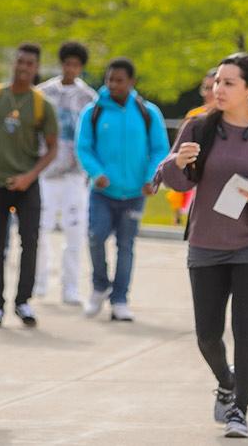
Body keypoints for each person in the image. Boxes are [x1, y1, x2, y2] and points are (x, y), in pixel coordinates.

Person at [159, 52, 248, 439]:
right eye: (217, 82)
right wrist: (179, 163)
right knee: (207, 334)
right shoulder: (198, 127)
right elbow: (175, 180)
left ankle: (240, 410)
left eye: (228, 83)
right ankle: (226, 381)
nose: (218, 89)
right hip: (207, 243)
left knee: (245, 326)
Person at [76, 58, 170, 322]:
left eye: (119, 80)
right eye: (109, 79)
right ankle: (99, 284)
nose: (112, 85)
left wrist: (152, 177)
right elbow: (84, 147)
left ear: (131, 82)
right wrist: (97, 173)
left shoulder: (148, 112)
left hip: (134, 194)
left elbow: (160, 149)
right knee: (95, 237)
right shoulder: (93, 112)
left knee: (126, 246)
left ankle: (120, 300)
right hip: (102, 193)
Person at [0, 43, 59, 327]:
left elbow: (52, 149)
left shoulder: (40, 104)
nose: (23, 68)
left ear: (36, 68)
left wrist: (29, 177)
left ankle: (23, 301)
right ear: (14, 63)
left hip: (27, 184)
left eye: (29, 64)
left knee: (30, 242)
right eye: (20, 61)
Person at [33, 42, 98, 305]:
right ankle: (39, 282)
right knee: (41, 228)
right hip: (46, 172)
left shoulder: (89, 98)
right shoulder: (43, 93)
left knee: (75, 230)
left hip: (74, 174)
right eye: (67, 63)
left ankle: (70, 287)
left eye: (76, 64)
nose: (70, 69)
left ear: (81, 67)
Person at [167, 67, 219, 224]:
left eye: (214, 87)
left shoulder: (238, 120)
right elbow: (178, 159)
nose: (209, 93)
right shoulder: (194, 119)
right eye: (206, 88)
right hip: (199, 187)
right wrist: (177, 208)